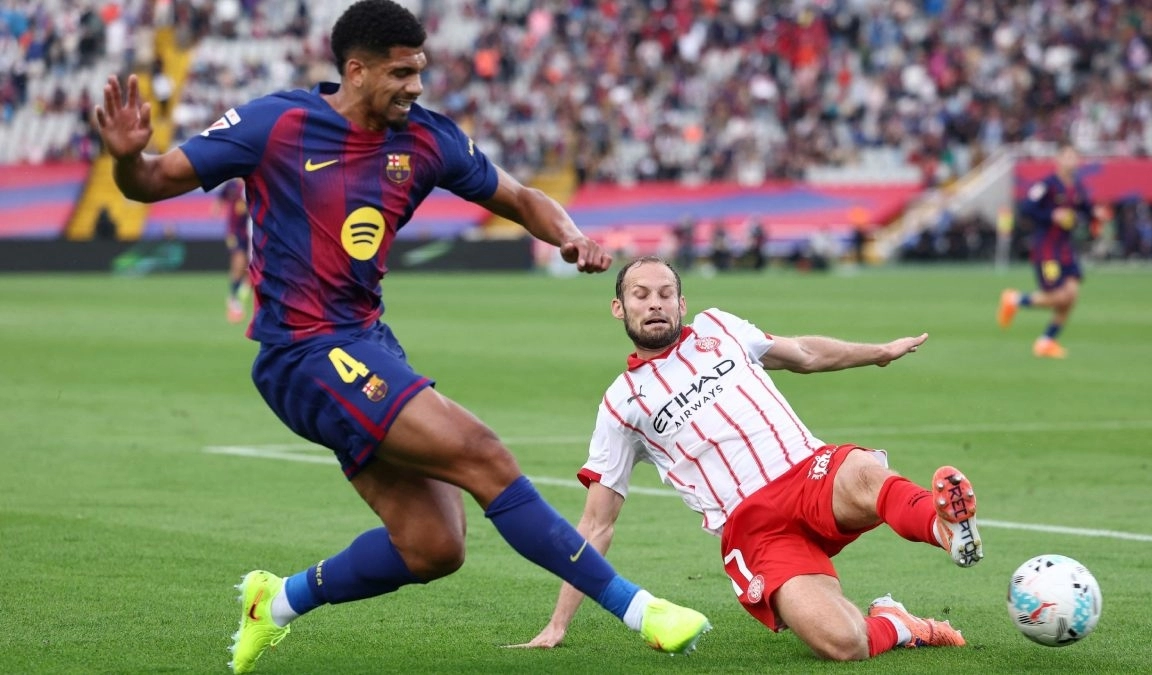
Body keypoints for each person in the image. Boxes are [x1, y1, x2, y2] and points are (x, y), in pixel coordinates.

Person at [91, 3, 710, 673]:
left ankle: (273, 603)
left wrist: (570, 235)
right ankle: (642, 611)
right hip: (301, 353)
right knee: (482, 453)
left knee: (434, 545)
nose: (416, 86)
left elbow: (521, 195)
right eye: (401, 73)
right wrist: (127, 161)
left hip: (366, 343)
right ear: (355, 70)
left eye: (420, 71)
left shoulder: (426, 139)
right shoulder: (277, 124)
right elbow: (152, 180)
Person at [512, 256, 983, 661]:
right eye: (640, 295)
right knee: (842, 644)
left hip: (807, 471)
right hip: (756, 528)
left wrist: (879, 352)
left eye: (665, 293)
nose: (653, 302)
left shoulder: (720, 327)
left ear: (682, 304)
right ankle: (899, 624)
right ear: (620, 308)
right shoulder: (621, 404)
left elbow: (803, 353)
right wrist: (558, 623)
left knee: (862, 472)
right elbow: (596, 524)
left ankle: (943, 527)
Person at [997, 145, 1094, 358]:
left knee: (1072, 296)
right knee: (1058, 296)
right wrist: (1052, 215)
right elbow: (1027, 207)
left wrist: (1095, 214)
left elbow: (1086, 209)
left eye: (1074, 157)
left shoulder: (1077, 187)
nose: (1071, 160)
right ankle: (1014, 300)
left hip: (1066, 249)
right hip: (1047, 250)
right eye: (1067, 156)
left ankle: (1046, 341)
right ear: (1058, 159)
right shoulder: (1046, 185)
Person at [215, 177, 250, 322]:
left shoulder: (254, 183)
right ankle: (233, 297)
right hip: (235, 232)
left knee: (249, 265)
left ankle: (240, 291)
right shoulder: (232, 185)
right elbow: (220, 199)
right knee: (238, 259)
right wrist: (216, 209)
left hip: (251, 232)